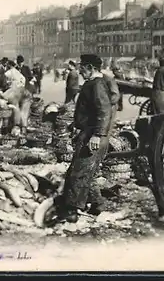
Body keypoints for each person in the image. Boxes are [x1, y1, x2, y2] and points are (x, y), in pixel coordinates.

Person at [52, 54, 114, 223]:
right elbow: (91, 111)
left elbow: (104, 111)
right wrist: (77, 124)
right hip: (88, 132)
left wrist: (97, 135)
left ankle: (72, 211)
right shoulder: (93, 84)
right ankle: (97, 204)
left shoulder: (97, 85)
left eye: (83, 68)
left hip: (93, 135)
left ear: (91, 68)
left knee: (78, 173)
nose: (80, 71)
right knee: (85, 172)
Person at [1, 60, 28, 136]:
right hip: (21, 91)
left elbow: (4, 82)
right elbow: (24, 79)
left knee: (14, 109)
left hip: (13, 92)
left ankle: (13, 126)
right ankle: (22, 128)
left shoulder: (8, 72)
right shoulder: (17, 72)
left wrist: (9, 85)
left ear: (9, 65)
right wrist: (20, 85)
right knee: (22, 110)